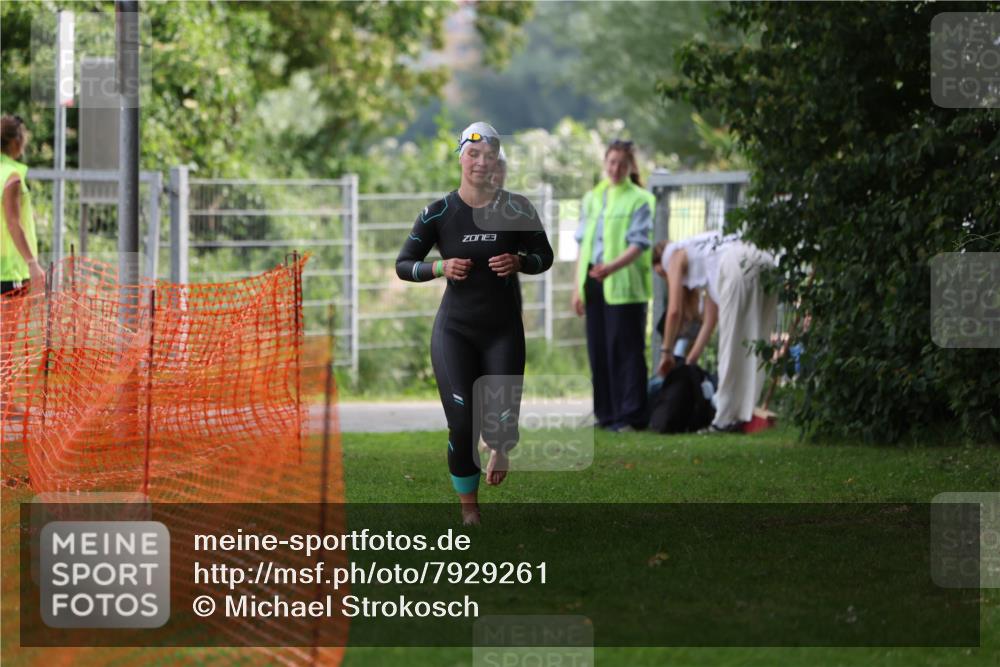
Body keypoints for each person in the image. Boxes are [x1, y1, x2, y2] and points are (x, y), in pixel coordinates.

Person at [395, 122, 553, 525]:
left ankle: (499, 446)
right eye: (473, 154)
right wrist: (438, 267)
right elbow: (403, 265)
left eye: (489, 156)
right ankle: (470, 509)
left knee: (501, 426)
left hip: (502, 330)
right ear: (461, 157)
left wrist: (521, 261)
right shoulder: (439, 212)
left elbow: (544, 256)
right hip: (456, 331)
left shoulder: (517, 209)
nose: (481, 162)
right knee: (462, 421)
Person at [571, 140, 654, 432]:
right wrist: (577, 288)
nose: (615, 168)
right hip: (594, 284)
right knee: (599, 351)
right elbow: (583, 245)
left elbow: (639, 244)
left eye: (621, 163)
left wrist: (612, 267)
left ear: (630, 166)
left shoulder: (640, 199)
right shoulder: (592, 198)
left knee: (627, 352)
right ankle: (606, 415)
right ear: (604, 163)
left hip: (625, 287)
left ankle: (631, 416)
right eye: (611, 162)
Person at [657, 230, 777, 432]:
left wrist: (666, 352)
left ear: (661, 260)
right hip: (765, 258)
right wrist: (690, 361)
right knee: (756, 337)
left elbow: (674, 311)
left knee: (731, 344)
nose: (667, 277)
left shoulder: (674, 254)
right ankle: (744, 410)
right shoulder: (707, 258)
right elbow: (710, 321)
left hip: (737, 263)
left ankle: (724, 419)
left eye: (662, 274)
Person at [1, 115, 44, 296]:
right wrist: (32, 263)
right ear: (15, 142)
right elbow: (13, 222)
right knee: (7, 325)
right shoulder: (11, 176)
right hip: (9, 270)